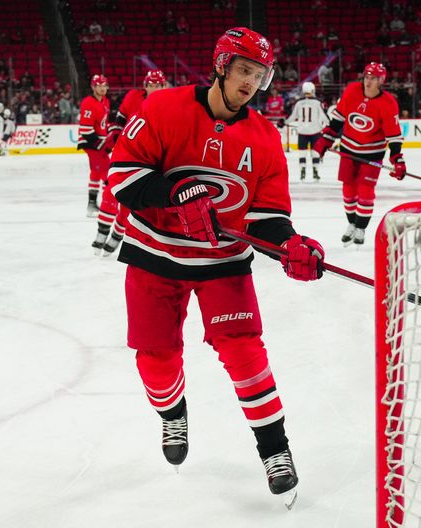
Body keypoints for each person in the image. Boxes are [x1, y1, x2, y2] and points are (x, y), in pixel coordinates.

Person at [107, 27, 323, 507]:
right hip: (155, 254)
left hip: (222, 263)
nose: (251, 83)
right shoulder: (163, 109)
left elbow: (266, 216)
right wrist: (173, 193)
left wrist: (290, 245)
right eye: (244, 70)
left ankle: (276, 450)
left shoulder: (265, 138)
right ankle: (173, 413)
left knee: (246, 352)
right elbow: (122, 177)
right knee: (156, 363)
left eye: (260, 75)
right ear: (222, 66)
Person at [312, 62, 405, 246]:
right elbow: (338, 119)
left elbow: (393, 136)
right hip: (348, 149)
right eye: (367, 77)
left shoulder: (388, 103)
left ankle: (361, 228)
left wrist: (397, 159)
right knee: (348, 191)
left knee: (365, 192)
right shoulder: (352, 90)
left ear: (381, 81)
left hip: (372, 154)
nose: (369, 82)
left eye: (374, 78)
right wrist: (326, 139)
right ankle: (352, 224)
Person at [94, 70, 169, 257]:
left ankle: (117, 235)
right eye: (150, 85)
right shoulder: (133, 97)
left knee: (130, 202)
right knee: (112, 191)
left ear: (163, 86)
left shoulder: (169, 104)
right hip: (125, 154)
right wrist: (116, 135)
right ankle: (101, 232)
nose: (153, 88)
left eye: (157, 85)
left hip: (148, 161)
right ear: (145, 86)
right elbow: (119, 119)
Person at [78, 74, 111, 217]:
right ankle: (108, 204)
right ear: (93, 87)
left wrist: (107, 141)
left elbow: (104, 125)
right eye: (99, 86)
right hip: (91, 143)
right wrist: (100, 144)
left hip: (100, 143)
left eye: (105, 85)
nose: (103, 88)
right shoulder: (88, 103)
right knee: (106, 172)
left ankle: (92, 205)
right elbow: (86, 130)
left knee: (97, 173)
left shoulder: (105, 101)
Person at [285, 81, 329, 181]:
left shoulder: (299, 103)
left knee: (302, 154)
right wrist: (331, 125)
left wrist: (284, 122)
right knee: (315, 154)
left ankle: (302, 172)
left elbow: (292, 117)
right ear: (312, 90)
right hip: (315, 131)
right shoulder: (318, 103)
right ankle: (315, 172)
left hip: (302, 132)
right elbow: (324, 117)